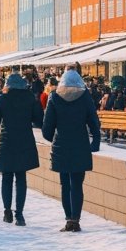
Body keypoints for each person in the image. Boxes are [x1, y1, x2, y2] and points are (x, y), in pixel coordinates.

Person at [42, 65, 102, 232]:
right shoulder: (85, 96)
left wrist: (53, 138)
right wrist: (95, 142)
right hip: (80, 145)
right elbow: (93, 121)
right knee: (77, 184)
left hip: (61, 145)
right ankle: (75, 219)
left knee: (64, 185)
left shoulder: (54, 96)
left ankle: (69, 219)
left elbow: (47, 129)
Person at [0, 72, 43, 225]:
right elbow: (39, 121)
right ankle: (19, 215)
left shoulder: (1, 100)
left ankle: (7, 212)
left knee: (6, 178)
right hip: (24, 142)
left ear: (7, 86)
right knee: (21, 178)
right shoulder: (30, 99)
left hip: (6, 142)